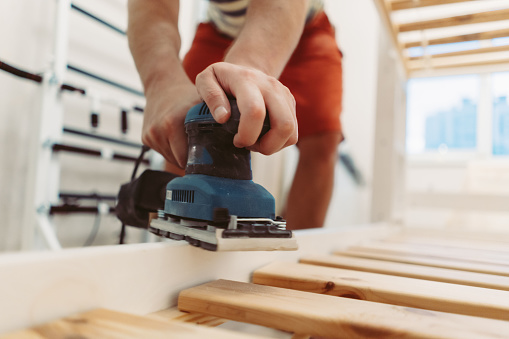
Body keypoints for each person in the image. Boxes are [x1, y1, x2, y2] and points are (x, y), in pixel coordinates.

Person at [127, 0, 343, 230]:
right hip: (220, 29)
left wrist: (250, 65)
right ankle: (177, 233)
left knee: (322, 138)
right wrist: (162, 82)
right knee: (178, 127)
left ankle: (295, 252)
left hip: (306, 26)